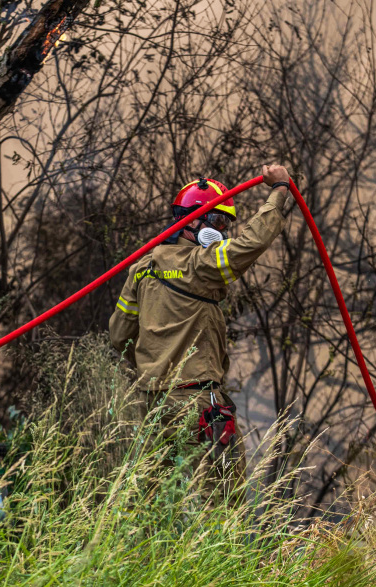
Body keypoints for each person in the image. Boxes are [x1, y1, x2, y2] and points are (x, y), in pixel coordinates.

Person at [108, 164, 299, 496]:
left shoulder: (142, 269)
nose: (223, 231)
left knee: (158, 500)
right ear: (193, 221)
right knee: (221, 496)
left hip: (152, 406)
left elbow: (118, 336)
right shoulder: (200, 265)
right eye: (219, 222)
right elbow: (251, 244)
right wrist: (280, 189)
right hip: (198, 402)